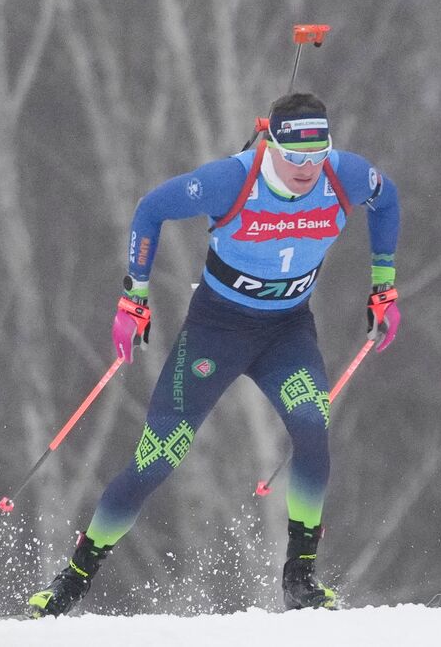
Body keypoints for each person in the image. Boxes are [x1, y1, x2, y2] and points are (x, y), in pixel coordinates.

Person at [26, 93, 401, 616]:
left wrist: (383, 286)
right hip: (216, 331)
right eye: (295, 157)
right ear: (271, 145)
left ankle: (300, 580)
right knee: (157, 458)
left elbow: (388, 200)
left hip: (286, 333)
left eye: (318, 156)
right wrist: (133, 297)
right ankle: (71, 583)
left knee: (312, 427)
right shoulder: (232, 179)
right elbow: (151, 209)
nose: (307, 170)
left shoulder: (345, 175)